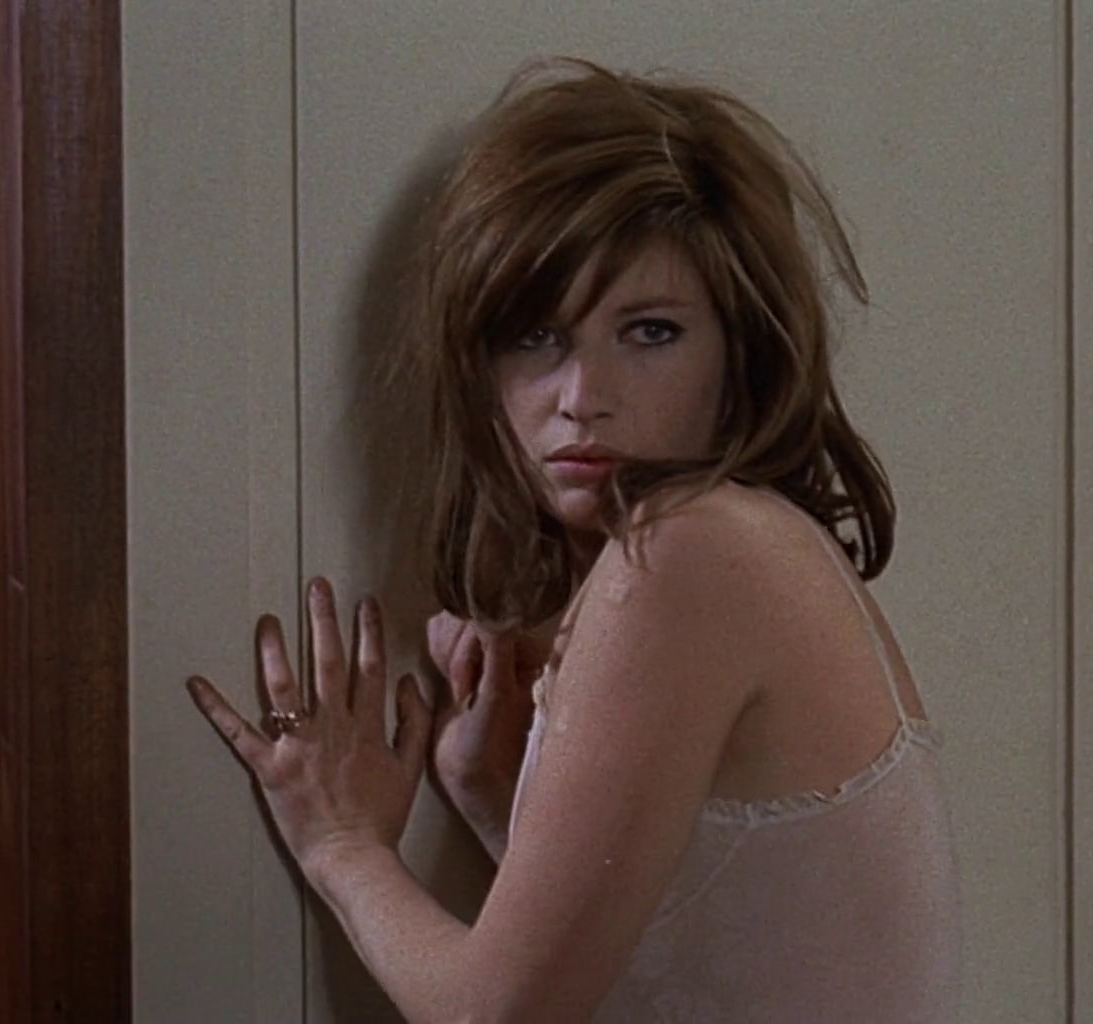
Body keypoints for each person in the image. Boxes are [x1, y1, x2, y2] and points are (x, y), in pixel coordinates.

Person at [186, 56, 960, 1021]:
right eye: (535, 337)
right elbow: (682, 969)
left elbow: (492, 1015)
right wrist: (493, 795)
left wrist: (343, 847)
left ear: (742, 350)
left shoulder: (690, 552)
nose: (582, 397)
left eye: (650, 332)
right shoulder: (745, 549)